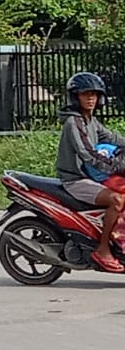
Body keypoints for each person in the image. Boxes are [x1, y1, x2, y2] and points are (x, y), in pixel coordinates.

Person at [56, 71, 125, 272]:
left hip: (91, 177)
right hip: (76, 179)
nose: (90, 98)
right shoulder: (74, 122)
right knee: (116, 200)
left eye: (94, 94)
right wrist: (117, 166)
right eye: (86, 94)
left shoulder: (91, 121)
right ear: (75, 96)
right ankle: (103, 250)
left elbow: (112, 138)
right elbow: (88, 154)